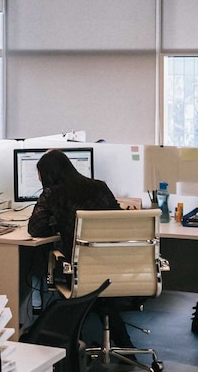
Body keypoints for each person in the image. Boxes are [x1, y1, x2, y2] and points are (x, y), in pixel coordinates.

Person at [26, 149, 135, 348]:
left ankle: (73, 345)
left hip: (79, 271)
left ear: (46, 175)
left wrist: (54, 219)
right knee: (103, 295)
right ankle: (125, 344)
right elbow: (119, 219)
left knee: (84, 281)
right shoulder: (100, 187)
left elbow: (35, 229)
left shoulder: (52, 194)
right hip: (112, 267)